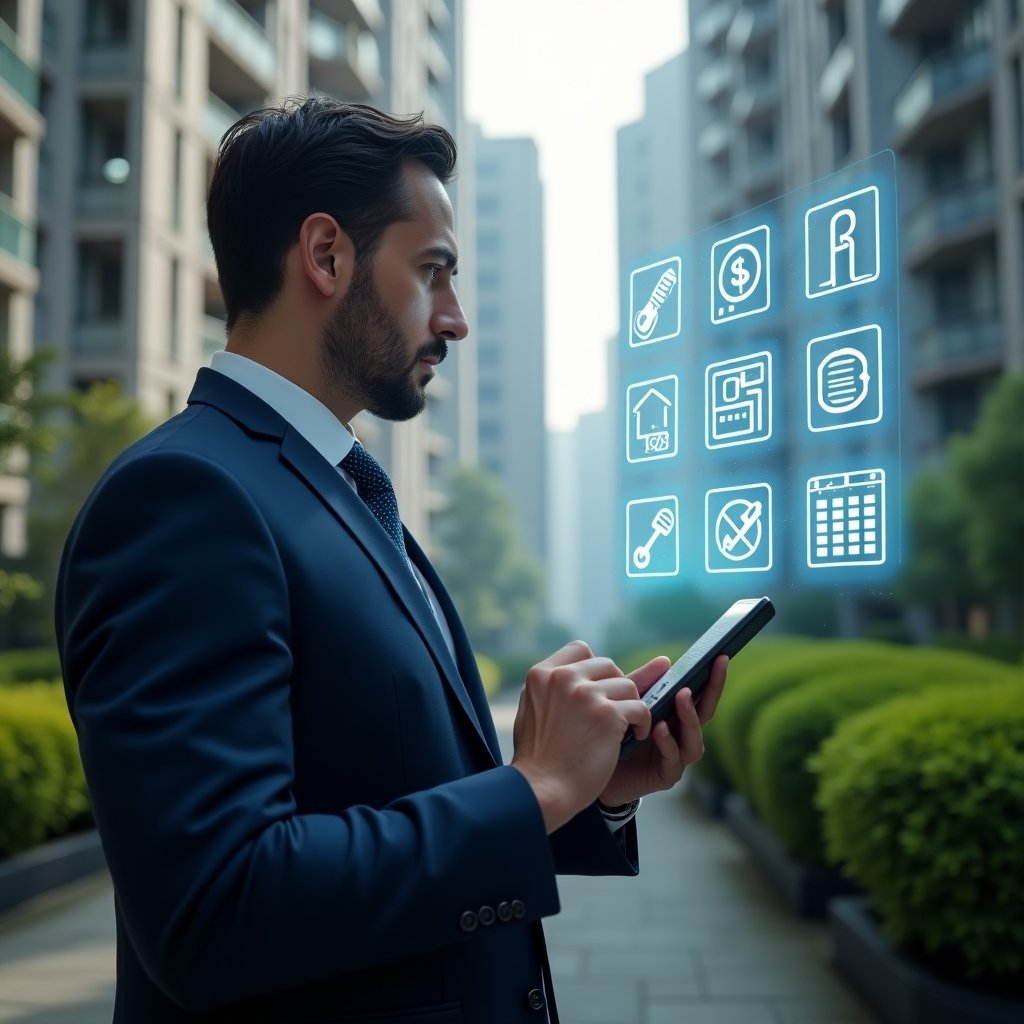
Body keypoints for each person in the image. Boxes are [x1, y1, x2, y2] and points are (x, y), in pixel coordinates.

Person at [55, 96, 727, 1024]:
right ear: (326, 255)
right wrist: (529, 789)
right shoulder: (185, 498)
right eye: (434, 272)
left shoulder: (337, 486)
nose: (455, 320)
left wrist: (584, 795)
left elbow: (380, 792)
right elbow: (216, 909)